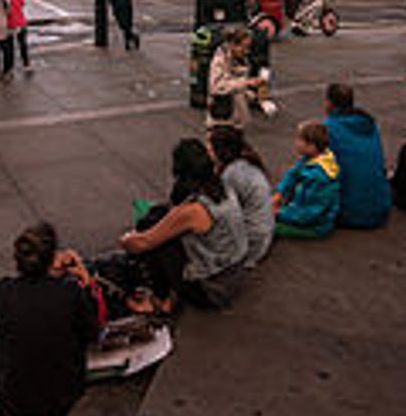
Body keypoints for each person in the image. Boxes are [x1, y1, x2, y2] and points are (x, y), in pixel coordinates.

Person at [0, 223, 98, 416]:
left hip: (15, 402)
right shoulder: (70, 292)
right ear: (51, 259)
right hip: (63, 397)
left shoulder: (2, 290)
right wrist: (85, 278)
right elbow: (93, 334)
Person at [119, 138, 248, 312]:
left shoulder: (193, 210)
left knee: (159, 244)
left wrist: (127, 239)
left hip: (213, 289)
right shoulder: (222, 186)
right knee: (159, 215)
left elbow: (142, 243)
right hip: (235, 274)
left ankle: (161, 301)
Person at [324, 83, 391, 228]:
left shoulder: (330, 127)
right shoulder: (370, 124)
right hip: (380, 210)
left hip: (348, 214)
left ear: (329, 103)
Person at [208, 125, 275, 267]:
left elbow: (227, 215)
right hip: (262, 235)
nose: (207, 149)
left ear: (220, 150)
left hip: (251, 244)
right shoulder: (245, 163)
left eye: (209, 145)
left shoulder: (232, 174)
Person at [273, 120, 341, 239]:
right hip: (301, 212)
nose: (296, 143)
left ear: (311, 146)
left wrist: (280, 214)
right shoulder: (314, 158)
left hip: (315, 226)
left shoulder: (320, 178)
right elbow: (292, 174)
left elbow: (311, 213)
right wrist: (280, 193)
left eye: (300, 140)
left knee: (268, 227)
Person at [208, 27, 268, 128]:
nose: (246, 51)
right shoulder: (220, 60)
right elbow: (217, 87)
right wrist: (247, 83)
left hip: (237, 118)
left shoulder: (241, 58)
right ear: (232, 44)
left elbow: (236, 85)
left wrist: (253, 96)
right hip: (223, 120)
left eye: (248, 47)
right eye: (244, 47)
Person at [2, 0, 30, 72]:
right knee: (22, 43)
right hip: (20, 19)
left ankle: (9, 66)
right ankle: (26, 63)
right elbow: (22, 2)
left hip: (8, 21)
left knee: (9, 45)